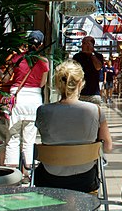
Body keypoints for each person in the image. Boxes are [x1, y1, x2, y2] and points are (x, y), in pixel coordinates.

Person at [35, 60, 113, 192]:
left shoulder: (43, 111)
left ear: (58, 83)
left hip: (50, 177)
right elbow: (107, 147)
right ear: (81, 83)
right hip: (85, 178)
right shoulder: (95, 110)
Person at [5, 30, 50, 177]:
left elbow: (6, 79)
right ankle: (27, 172)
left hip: (17, 98)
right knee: (29, 139)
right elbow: (42, 83)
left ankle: (12, 173)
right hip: (34, 100)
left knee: (12, 137)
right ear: (41, 44)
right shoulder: (44, 62)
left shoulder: (16, 58)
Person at [73, 35, 105, 104]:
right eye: (83, 43)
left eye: (86, 43)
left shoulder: (98, 56)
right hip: (80, 93)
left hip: (94, 94)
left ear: (92, 45)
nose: (83, 45)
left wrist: (92, 54)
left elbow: (98, 67)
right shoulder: (77, 56)